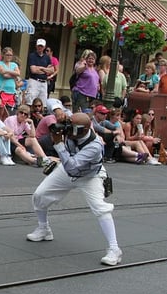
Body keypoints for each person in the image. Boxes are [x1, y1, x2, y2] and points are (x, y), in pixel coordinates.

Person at [27, 112, 122, 266]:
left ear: (84, 130)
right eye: (68, 126)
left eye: (72, 129)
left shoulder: (95, 146)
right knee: (39, 195)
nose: (68, 131)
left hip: (89, 176)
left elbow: (73, 165)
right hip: (66, 170)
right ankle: (44, 229)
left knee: (101, 208)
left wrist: (58, 144)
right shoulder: (72, 131)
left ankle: (114, 249)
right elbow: (68, 166)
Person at [25, 38, 54, 108]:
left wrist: (42, 68)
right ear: (36, 46)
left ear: (44, 47)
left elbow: (52, 70)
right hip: (34, 81)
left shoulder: (47, 57)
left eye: (41, 46)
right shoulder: (32, 56)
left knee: (43, 103)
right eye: (39, 46)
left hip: (44, 82)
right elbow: (33, 70)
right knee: (30, 101)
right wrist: (45, 70)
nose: (40, 47)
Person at [0, 47, 22, 114]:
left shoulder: (14, 64)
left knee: (9, 113)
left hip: (12, 92)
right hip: (2, 90)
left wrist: (7, 71)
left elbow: (18, 73)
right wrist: (13, 74)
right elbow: (4, 74)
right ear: (3, 55)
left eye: (10, 55)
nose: (9, 56)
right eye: (7, 55)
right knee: (0, 112)